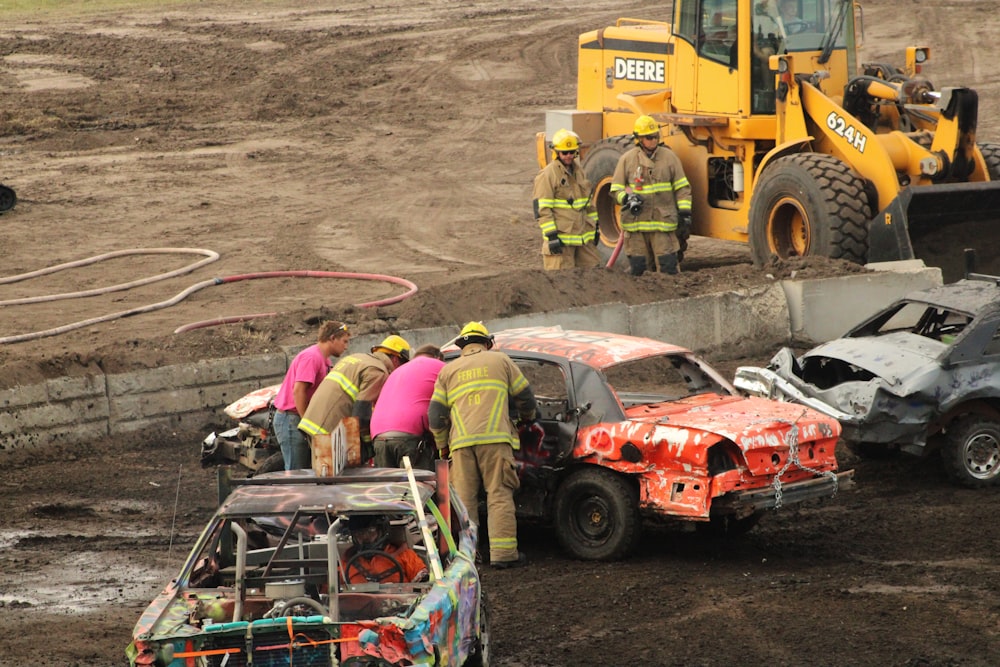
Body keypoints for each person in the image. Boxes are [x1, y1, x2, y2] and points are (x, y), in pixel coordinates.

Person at [428, 322, 537, 569]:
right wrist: (528, 417)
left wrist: (442, 444)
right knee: (499, 495)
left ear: (462, 346)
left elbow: (435, 415)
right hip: (497, 440)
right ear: (487, 343)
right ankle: (503, 554)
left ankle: (468, 558)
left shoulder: (448, 371)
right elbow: (525, 397)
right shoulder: (501, 361)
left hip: (461, 444)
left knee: (464, 501)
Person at [298, 334, 412, 461]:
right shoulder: (378, 371)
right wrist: (369, 445)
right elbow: (361, 415)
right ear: (396, 359)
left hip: (313, 422)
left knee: (324, 474)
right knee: (336, 478)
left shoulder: (356, 358)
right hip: (329, 431)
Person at [610, 115, 693, 276]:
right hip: (635, 227)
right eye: (649, 137)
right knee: (638, 271)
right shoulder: (627, 160)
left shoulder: (669, 158)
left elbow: (682, 187)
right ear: (639, 139)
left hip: (663, 225)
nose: (654, 140)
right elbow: (615, 189)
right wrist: (626, 198)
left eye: (656, 136)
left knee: (668, 268)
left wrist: (684, 212)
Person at [271, 321, 351, 470]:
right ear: (332, 338)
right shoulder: (311, 358)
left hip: (295, 419)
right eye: (344, 341)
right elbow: (298, 390)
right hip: (291, 419)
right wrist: (307, 423)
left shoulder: (324, 360)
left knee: (303, 471)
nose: (346, 347)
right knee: (296, 473)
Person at [532, 128, 600, 270]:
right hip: (562, 241)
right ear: (556, 153)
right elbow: (542, 209)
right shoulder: (548, 175)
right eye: (564, 153)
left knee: (593, 280)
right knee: (562, 285)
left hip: (583, 240)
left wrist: (595, 228)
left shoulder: (579, 172)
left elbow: (588, 205)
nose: (569, 156)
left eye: (572, 152)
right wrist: (552, 237)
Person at [370, 344, 446, 471]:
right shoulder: (440, 366)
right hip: (410, 436)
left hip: (379, 435)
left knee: (389, 489)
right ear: (437, 357)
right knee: (418, 488)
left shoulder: (397, 371)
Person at [342, 514, 428, 584]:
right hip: (359, 604)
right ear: (353, 537)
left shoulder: (404, 555)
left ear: (381, 531)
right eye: (359, 534)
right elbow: (333, 592)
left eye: (370, 531)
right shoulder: (347, 562)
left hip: (400, 603)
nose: (365, 537)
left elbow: (424, 584)